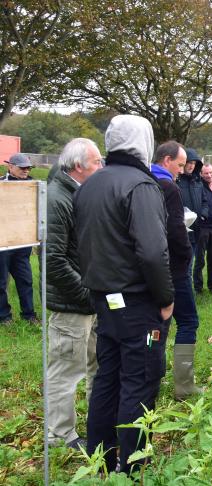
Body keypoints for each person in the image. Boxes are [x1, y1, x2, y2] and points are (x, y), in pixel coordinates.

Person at [75, 115, 174, 474]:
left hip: (105, 298)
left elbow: (80, 242)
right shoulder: (141, 186)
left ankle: (99, 459)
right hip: (137, 303)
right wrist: (165, 298)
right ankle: (133, 466)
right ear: (143, 143)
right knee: (140, 380)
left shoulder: (90, 184)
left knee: (108, 377)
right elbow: (152, 252)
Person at [45, 139, 102, 450]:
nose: (101, 167)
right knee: (66, 370)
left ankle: (98, 421)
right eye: (96, 162)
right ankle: (59, 435)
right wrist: (85, 294)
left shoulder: (78, 193)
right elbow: (52, 260)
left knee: (95, 363)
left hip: (88, 299)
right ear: (79, 166)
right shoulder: (58, 197)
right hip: (71, 303)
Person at [151, 141, 202, 401]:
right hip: (174, 267)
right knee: (188, 321)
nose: (181, 171)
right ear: (166, 160)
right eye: (180, 165)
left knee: (154, 326)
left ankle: (150, 377)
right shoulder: (168, 187)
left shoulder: (143, 181)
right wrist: (186, 255)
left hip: (149, 267)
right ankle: (184, 383)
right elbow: (176, 230)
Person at [0, 153, 37, 324]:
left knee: (25, 280)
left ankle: (29, 315)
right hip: (3, 242)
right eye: (22, 167)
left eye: (28, 168)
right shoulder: (1, 184)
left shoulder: (33, 186)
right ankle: (4, 317)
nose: (26, 170)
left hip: (23, 242)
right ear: (10, 167)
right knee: (1, 282)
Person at [194, 163, 212, 295]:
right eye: (206, 173)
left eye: (211, 172)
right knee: (200, 259)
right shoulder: (198, 186)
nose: (209, 175)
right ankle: (198, 287)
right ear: (201, 174)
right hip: (202, 226)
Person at [177, 148, 204, 260]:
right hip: (181, 228)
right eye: (189, 163)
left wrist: (203, 214)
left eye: (194, 163)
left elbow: (205, 201)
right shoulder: (176, 181)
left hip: (196, 229)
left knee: (190, 261)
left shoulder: (198, 182)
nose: (192, 166)